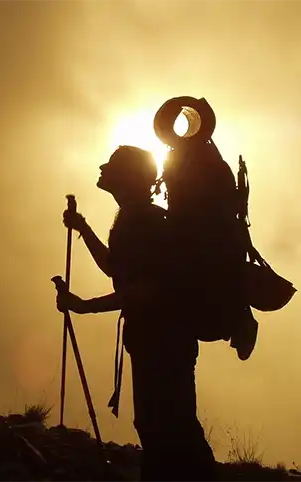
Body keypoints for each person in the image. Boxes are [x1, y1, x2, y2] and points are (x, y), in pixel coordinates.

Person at [54, 145, 218, 482]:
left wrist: (84, 306)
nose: (103, 169)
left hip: (163, 342)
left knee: (167, 427)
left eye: (112, 166)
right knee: (165, 425)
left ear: (128, 177)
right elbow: (116, 267)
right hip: (159, 341)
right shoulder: (136, 219)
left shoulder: (142, 221)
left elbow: (143, 290)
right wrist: (83, 228)